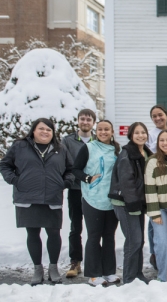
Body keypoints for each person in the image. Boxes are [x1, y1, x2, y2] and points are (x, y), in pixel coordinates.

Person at [0, 118, 74, 286]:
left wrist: (65, 182)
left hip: (52, 197)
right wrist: (16, 180)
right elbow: (4, 165)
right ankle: (37, 269)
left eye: (49, 129)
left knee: (54, 233)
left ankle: (53, 268)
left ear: (53, 132)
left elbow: (70, 169)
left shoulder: (60, 149)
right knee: (33, 234)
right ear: (33, 130)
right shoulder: (20, 146)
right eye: (41, 129)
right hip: (27, 197)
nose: (45, 132)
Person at [71, 119, 120, 287]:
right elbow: (75, 169)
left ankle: (108, 271)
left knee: (109, 237)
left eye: (107, 129)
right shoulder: (88, 148)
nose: (103, 132)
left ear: (112, 132)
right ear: (95, 131)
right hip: (92, 198)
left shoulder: (117, 150)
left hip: (111, 199)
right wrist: (88, 178)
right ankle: (93, 274)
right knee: (94, 236)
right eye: (100, 129)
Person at [109, 121, 152, 284]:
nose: (141, 135)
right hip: (126, 203)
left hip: (137, 203)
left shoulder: (145, 152)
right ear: (131, 136)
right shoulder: (127, 154)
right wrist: (133, 203)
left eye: (143, 132)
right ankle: (129, 277)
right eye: (137, 133)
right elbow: (126, 181)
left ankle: (138, 273)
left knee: (139, 240)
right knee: (133, 240)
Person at [62, 108, 97, 278]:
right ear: (78, 121)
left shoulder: (98, 139)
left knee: (95, 227)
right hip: (76, 189)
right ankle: (75, 262)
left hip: (95, 191)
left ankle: (94, 262)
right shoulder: (67, 141)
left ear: (93, 122)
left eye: (88, 119)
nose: (85, 122)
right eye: (82, 119)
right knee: (76, 226)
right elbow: (64, 164)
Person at [144, 129, 167, 282]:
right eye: (162, 140)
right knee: (162, 243)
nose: (165, 143)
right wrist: (154, 213)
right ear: (158, 143)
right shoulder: (152, 161)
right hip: (159, 209)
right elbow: (149, 188)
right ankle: (164, 277)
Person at [147, 105, 167, 270]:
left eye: (160, 115)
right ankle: (156, 258)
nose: (158, 118)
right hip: (156, 190)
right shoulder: (150, 135)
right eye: (154, 116)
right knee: (157, 234)